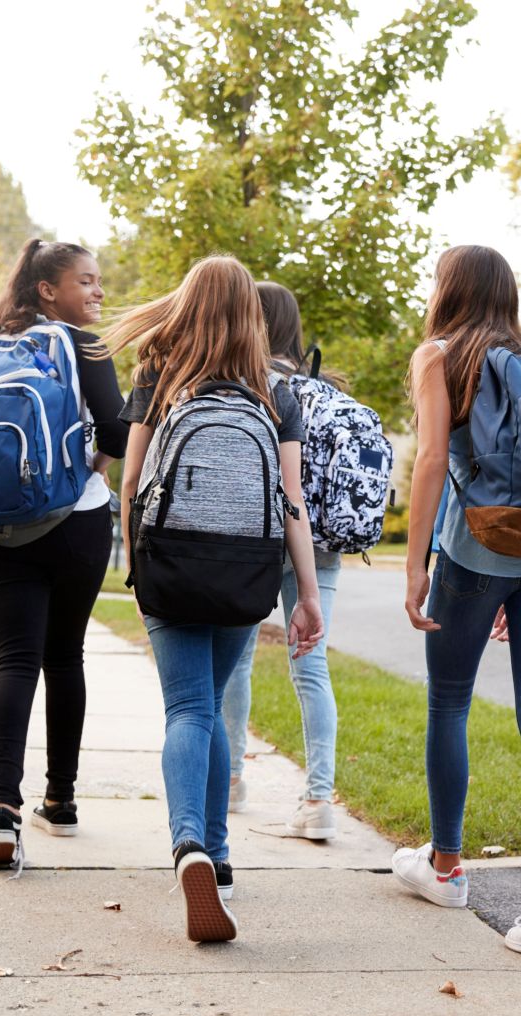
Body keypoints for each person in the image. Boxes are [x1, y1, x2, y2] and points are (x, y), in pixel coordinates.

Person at [112, 256, 323, 943]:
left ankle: (187, 847)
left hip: (171, 564)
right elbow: (291, 503)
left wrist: (135, 567)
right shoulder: (274, 391)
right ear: (250, 315)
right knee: (217, 706)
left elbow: (133, 481)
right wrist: (307, 596)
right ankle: (219, 854)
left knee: (187, 709)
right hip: (245, 573)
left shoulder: (159, 374)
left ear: (188, 303)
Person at [391, 245, 521, 961]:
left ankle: (445, 868)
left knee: (449, 702)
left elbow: (433, 461)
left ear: (449, 289)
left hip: (475, 554)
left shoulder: (439, 354)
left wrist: (414, 566)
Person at [0, 240, 127, 866]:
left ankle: (1, 809)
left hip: (5, 526)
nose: (98, 292)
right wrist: (89, 464)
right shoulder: (82, 345)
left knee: (13, 660)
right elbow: (121, 431)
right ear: (50, 290)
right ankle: (61, 800)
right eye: (87, 281)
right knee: (64, 657)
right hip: (77, 519)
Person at [222, 281, 340, 839]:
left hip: (262, 539)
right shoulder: (326, 387)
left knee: (238, 662)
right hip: (323, 545)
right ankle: (319, 800)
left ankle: (229, 782)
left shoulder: (248, 384)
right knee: (311, 667)